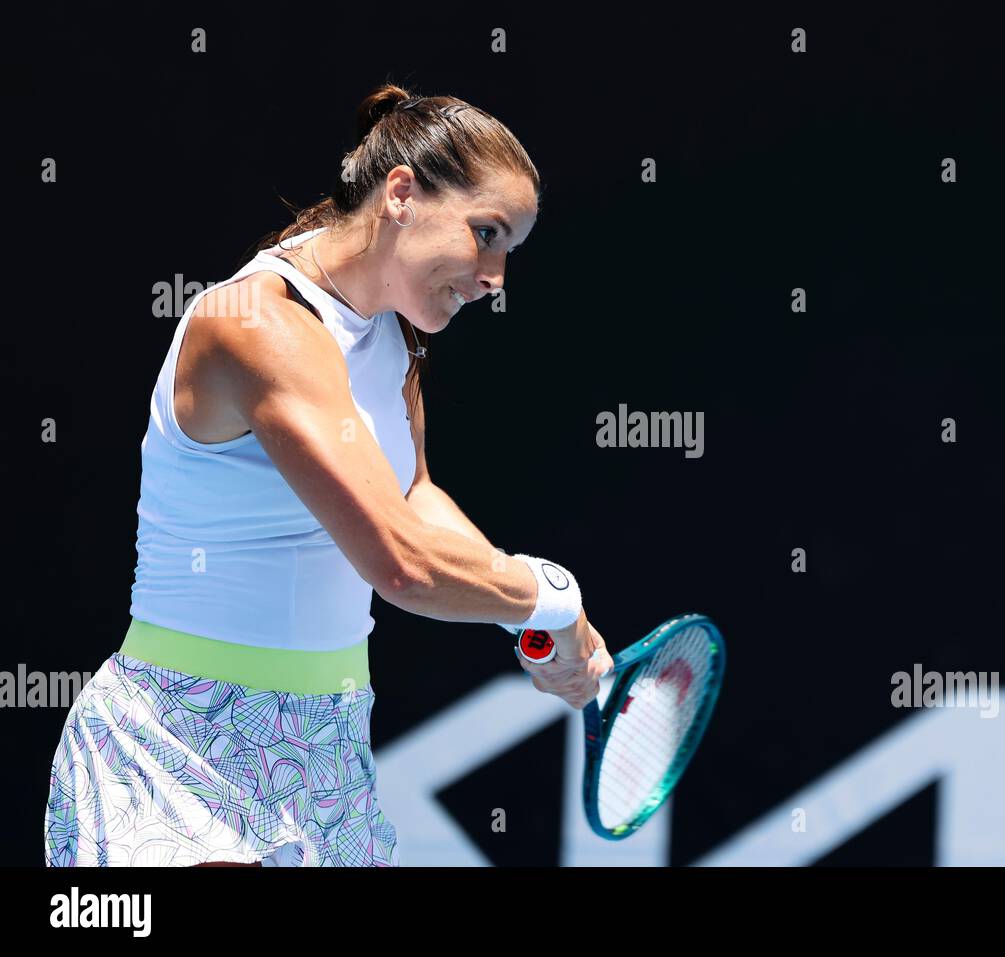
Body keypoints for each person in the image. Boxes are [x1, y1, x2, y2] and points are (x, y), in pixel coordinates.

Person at [43, 82, 607, 867]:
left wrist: (530, 620)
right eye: (487, 233)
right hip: (178, 743)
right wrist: (548, 593)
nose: (496, 276)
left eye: (509, 249)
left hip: (330, 752)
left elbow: (412, 495)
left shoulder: (395, 340)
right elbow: (400, 562)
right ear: (402, 193)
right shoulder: (259, 324)